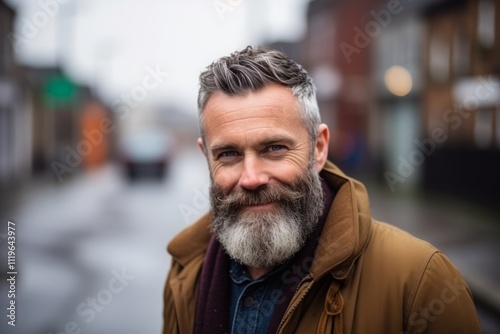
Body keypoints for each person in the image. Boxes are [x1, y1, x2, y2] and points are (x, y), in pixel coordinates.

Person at [162, 46, 482, 334]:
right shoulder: (185, 276)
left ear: (318, 148)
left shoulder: (418, 283)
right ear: (206, 157)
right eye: (228, 154)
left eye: (274, 148)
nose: (251, 178)